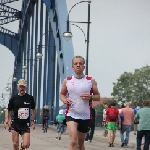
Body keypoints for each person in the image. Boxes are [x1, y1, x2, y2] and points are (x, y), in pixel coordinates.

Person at [59, 55, 100, 150]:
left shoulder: (90, 80)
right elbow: (62, 94)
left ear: (83, 66)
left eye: (80, 63)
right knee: (73, 141)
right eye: (76, 64)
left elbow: (97, 96)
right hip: (71, 113)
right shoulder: (67, 81)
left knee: (80, 144)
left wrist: (90, 97)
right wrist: (65, 100)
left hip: (85, 115)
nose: (78, 65)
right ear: (72, 67)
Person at [3, 79, 36, 150]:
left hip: (25, 124)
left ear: (26, 87)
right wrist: (7, 119)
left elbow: (34, 109)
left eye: (23, 87)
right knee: (15, 144)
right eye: (20, 87)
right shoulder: (13, 98)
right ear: (18, 87)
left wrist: (33, 120)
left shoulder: (30, 98)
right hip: (15, 123)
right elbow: (8, 110)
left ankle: (22, 146)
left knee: (26, 144)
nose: (22, 88)